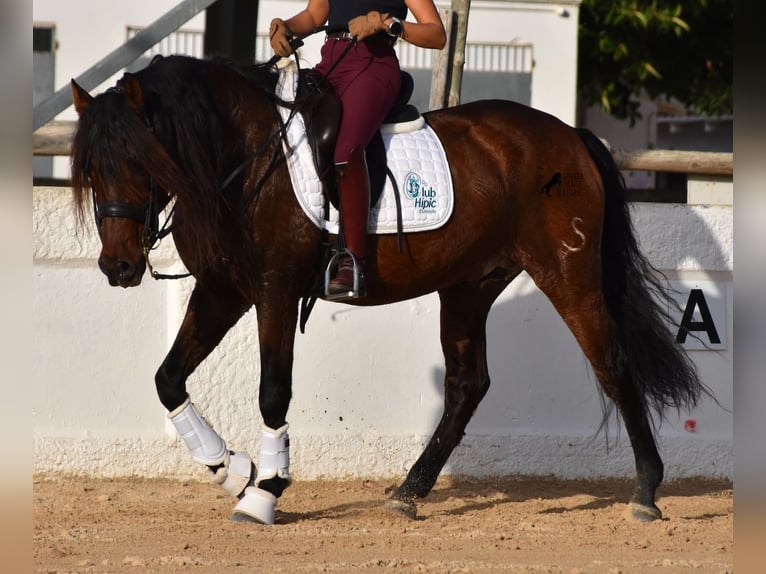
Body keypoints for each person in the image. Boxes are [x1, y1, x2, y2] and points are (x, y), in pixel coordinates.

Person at [270, 1, 446, 300]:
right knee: (285, 132)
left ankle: (352, 260)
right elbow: (315, 15)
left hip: (373, 66)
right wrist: (284, 26)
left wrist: (389, 24)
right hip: (330, 63)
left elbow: (436, 34)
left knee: (346, 150)